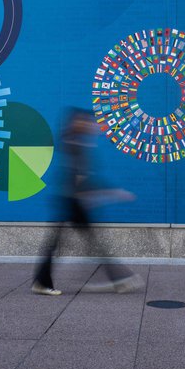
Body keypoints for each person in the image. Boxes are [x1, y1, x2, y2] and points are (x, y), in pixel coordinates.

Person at [32, 108, 142, 296]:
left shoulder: (74, 142)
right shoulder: (75, 144)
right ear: (78, 124)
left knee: (71, 242)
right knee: (81, 242)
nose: (93, 126)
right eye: (87, 122)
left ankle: (42, 282)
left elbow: (80, 177)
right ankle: (120, 279)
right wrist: (112, 191)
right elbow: (80, 179)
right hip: (71, 202)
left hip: (70, 200)